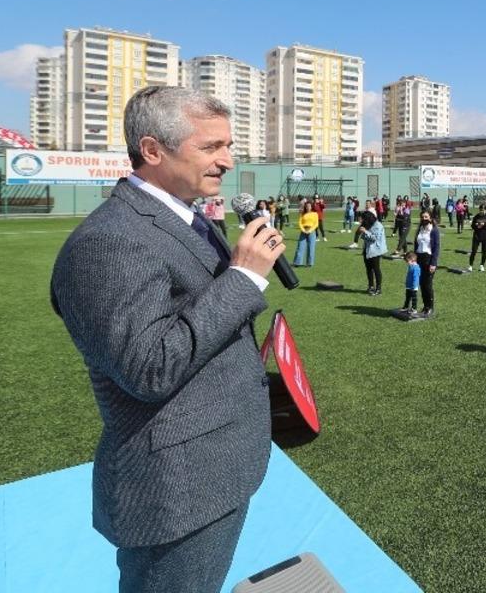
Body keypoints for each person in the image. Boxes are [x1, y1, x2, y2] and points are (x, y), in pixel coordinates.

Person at [50, 86, 283, 592]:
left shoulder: (187, 217)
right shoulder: (109, 240)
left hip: (217, 466)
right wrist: (243, 279)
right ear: (153, 150)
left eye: (229, 145)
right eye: (211, 147)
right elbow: (149, 368)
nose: (228, 160)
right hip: (178, 489)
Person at [413, 211, 439, 317]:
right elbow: (416, 244)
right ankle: (425, 306)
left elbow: (436, 248)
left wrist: (433, 263)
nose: (424, 218)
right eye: (422, 216)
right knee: (422, 284)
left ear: (431, 218)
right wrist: (414, 259)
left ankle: (430, 307)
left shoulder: (434, 230)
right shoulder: (420, 229)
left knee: (428, 285)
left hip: (429, 259)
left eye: (426, 216)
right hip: (419, 258)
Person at [358, 209, 387, 295]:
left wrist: (365, 231)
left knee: (376, 269)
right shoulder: (368, 224)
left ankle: (378, 288)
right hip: (367, 249)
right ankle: (371, 286)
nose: (362, 221)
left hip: (375, 250)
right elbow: (364, 237)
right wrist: (363, 232)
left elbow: (375, 238)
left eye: (364, 219)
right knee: (368, 269)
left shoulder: (378, 225)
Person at [295, 201, 318, 266]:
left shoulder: (315, 214)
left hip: (311, 231)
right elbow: (300, 223)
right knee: (300, 246)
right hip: (303, 231)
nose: (308, 207)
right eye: (306, 206)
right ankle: (297, 262)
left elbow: (316, 224)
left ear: (311, 207)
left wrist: (310, 230)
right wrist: (303, 230)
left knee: (311, 247)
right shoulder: (303, 214)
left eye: (309, 206)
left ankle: (309, 263)